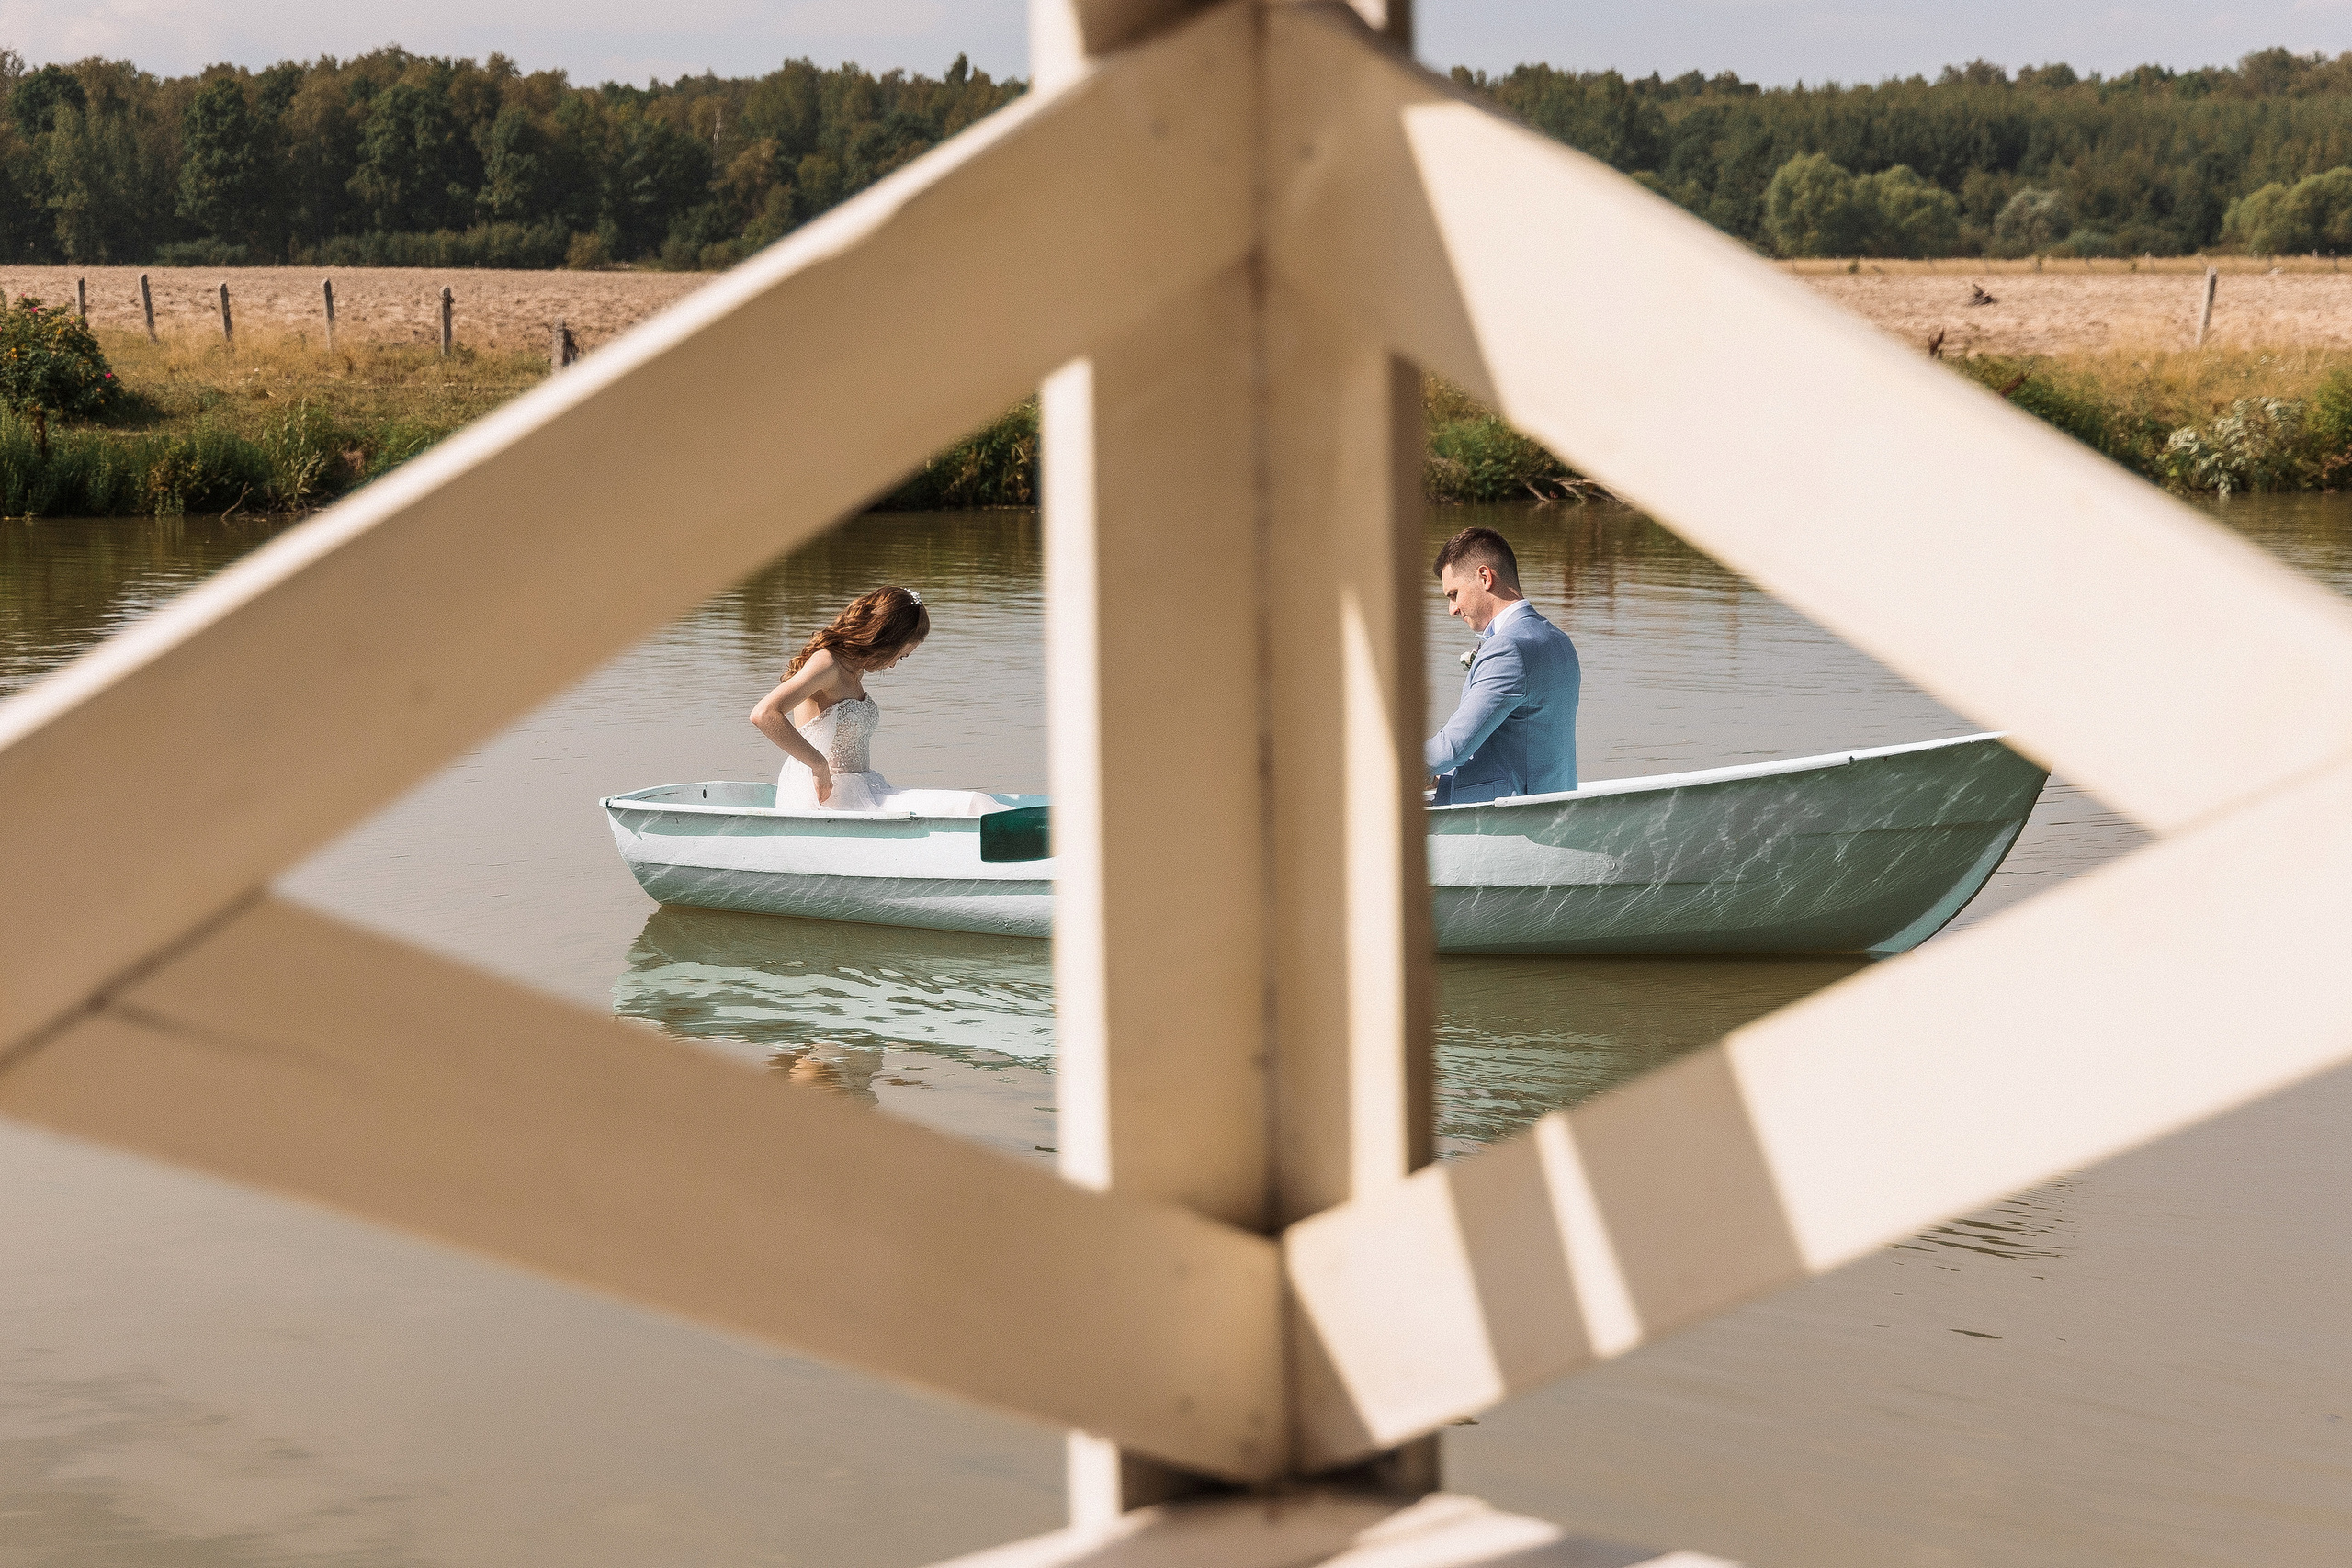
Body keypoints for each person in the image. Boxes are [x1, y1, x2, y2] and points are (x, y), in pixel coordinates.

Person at [749, 586, 996, 816]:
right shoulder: (827, 664)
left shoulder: (854, 670)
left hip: (861, 789)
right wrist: (818, 765)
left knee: (976, 803)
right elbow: (764, 713)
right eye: (900, 656)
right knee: (973, 803)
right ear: (885, 640)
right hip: (827, 797)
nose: (893, 664)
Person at [1424, 526, 1580, 804]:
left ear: (1485, 577)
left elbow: (1453, 748)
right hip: (1553, 804)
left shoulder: (1507, 648)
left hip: (1513, 818)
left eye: (1454, 594)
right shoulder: (1560, 641)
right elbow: (1526, 751)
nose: (1452, 609)